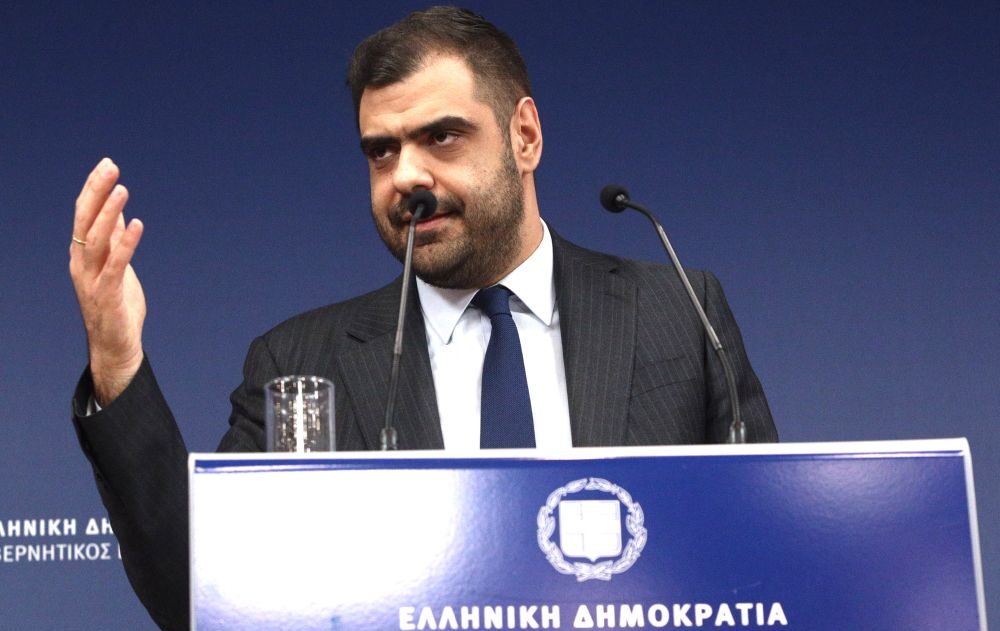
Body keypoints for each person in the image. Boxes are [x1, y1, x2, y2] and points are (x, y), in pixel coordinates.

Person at [69, 6, 777, 630]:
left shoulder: (679, 313)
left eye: (442, 137)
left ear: (524, 136)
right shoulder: (302, 360)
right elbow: (199, 594)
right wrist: (117, 361)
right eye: (382, 151)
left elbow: (768, 560)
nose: (405, 176)